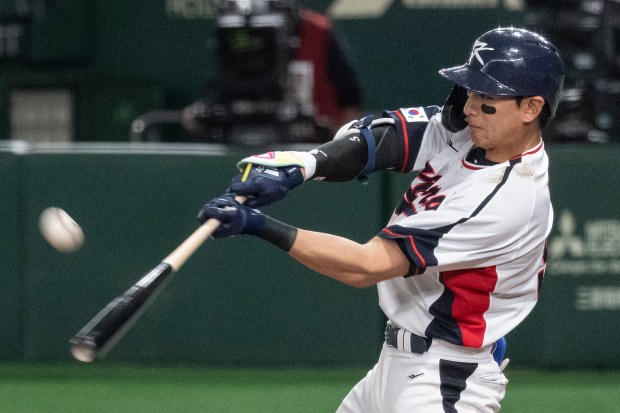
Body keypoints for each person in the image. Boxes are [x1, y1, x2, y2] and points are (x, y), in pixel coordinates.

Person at [197, 27, 564, 412]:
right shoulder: (473, 135)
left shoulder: (509, 198)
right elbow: (384, 139)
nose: (470, 106)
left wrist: (258, 224)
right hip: (400, 366)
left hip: (444, 382)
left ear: (531, 108)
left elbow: (364, 266)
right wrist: (304, 165)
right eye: (470, 90)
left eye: (487, 97)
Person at [183, 0, 363, 143]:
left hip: (313, 154)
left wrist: (338, 142)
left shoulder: (319, 32)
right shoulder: (237, 31)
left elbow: (351, 104)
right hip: (244, 148)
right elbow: (216, 96)